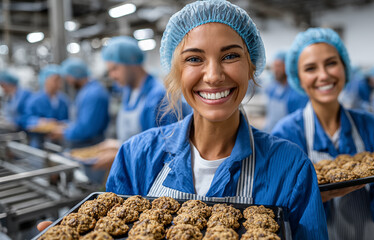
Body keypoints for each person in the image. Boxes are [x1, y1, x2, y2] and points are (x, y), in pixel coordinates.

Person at [105, 1, 327, 239]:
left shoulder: (289, 167)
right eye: (193, 59)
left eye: (230, 56)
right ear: (176, 71)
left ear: (251, 67)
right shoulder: (136, 157)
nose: (213, 76)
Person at [272, 28, 374, 240]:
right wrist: (311, 196)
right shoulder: (285, 135)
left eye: (331, 63)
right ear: (298, 78)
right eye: (310, 68)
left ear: (344, 68)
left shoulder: (371, 127)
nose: (323, 75)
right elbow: (276, 208)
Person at [92, 36, 191, 170]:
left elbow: (167, 149)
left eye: (115, 68)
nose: (112, 76)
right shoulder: (128, 91)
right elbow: (140, 137)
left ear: (132, 62)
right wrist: (118, 145)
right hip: (134, 167)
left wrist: (120, 155)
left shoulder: (159, 97)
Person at [49, 58, 109, 149]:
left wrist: (64, 132)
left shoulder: (93, 94)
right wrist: (65, 125)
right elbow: (81, 120)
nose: (68, 81)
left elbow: (87, 128)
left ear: (75, 74)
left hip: (90, 146)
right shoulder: (86, 90)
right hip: (84, 145)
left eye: (68, 77)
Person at [25, 64, 69, 148]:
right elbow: (26, 119)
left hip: (59, 141)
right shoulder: (35, 100)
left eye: (60, 80)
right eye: (55, 80)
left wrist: (61, 126)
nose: (58, 83)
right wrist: (39, 122)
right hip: (39, 142)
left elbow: (68, 120)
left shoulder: (64, 100)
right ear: (45, 80)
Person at [264, 51, 308, 132]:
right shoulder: (273, 89)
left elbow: (299, 125)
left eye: (279, 66)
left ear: (288, 67)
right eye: (274, 66)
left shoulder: (297, 94)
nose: (275, 70)